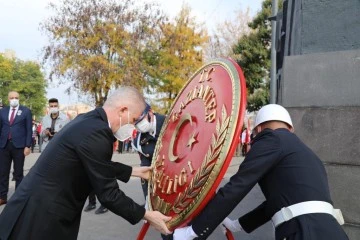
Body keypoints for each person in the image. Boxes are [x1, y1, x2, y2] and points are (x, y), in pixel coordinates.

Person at [0, 87, 172, 239]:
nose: (133, 127)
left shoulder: (88, 121)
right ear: (123, 110)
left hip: (33, 207)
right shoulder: (98, 133)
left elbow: (93, 164)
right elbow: (109, 195)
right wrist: (147, 215)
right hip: (40, 219)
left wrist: (136, 171)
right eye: (134, 120)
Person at [174, 104, 348, 240]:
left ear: (258, 129)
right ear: (290, 127)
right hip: (331, 231)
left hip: (304, 232)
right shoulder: (307, 154)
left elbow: (238, 185)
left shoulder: (271, 138)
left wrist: (194, 231)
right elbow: (281, 201)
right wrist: (237, 225)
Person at [0, 91, 32, 206]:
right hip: (4, 146)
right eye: (12, 98)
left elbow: (29, 130)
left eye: (16, 97)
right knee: (3, 172)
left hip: (19, 146)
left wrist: (28, 146)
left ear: (19, 99)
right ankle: (2, 197)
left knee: (18, 173)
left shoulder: (26, 111)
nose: (14, 99)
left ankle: (17, 198)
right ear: (8, 99)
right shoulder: (2, 111)